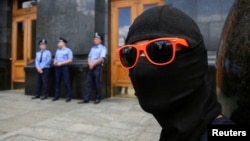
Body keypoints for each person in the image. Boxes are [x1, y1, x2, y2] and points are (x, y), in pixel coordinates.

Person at [116, 5, 234, 141]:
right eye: (130, 54)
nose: (142, 72)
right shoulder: (172, 133)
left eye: (159, 50)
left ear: (194, 58)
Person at [78, 32, 106, 104]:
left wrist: (93, 64)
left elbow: (101, 58)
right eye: (94, 38)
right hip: (90, 67)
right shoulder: (92, 48)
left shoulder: (103, 48)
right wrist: (90, 63)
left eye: (96, 39)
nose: (95, 40)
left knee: (97, 83)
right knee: (88, 83)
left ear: (100, 40)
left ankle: (97, 98)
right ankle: (86, 98)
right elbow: (89, 57)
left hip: (97, 67)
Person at [53, 37, 73, 102]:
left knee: (66, 82)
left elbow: (70, 60)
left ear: (63, 43)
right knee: (57, 82)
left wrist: (61, 63)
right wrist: (55, 61)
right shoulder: (57, 50)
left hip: (65, 67)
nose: (58, 44)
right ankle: (56, 96)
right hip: (57, 67)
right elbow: (55, 58)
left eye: (59, 42)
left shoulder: (68, 50)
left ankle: (68, 96)